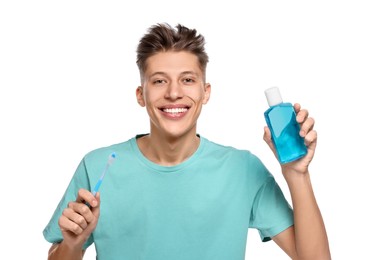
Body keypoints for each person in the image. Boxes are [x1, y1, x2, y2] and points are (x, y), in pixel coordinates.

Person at [43, 23, 331, 260]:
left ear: (205, 93)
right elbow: (61, 252)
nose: (173, 93)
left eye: (187, 80)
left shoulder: (243, 169)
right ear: (140, 95)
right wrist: (71, 245)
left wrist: (297, 175)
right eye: (159, 81)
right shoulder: (97, 167)